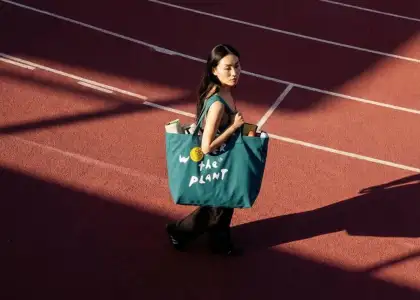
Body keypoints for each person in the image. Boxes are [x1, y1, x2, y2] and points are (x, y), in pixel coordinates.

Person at [166, 44, 245, 256]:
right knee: (217, 208)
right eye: (228, 68)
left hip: (224, 159)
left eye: (237, 66)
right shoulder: (218, 103)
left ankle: (218, 244)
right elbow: (206, 146)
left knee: (221, 205)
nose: (234, 72)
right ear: (214, 70)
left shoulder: (223, 91)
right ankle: (181, 232)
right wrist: (233, 128)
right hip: (218, 161)